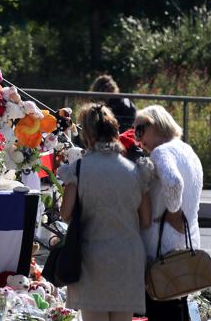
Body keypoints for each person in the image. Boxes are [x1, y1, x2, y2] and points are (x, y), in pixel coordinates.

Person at [58, 103, 151, 321]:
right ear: (115, 132)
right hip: (128, 259)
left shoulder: (79, 169)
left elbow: (65, 213)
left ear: (87, 134)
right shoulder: (136, 171)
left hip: (93, 259)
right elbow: (145, 220)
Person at [134, 105, 203, 321]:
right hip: (185, 243)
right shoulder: (187, 150)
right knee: (178, 306)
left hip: (162, 248)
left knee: (161, 310)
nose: (138, 139)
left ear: (154, 124)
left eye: (140, 130)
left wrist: (174, 210)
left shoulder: (162, 152)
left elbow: (174, 183)